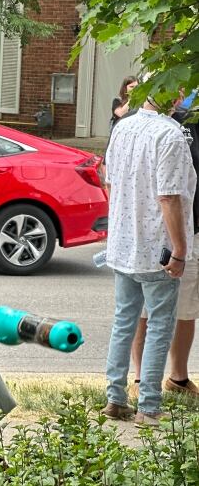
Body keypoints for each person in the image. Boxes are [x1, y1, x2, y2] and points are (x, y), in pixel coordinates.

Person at [102, 93, 195, 427]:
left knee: (124, 320)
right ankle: (149, 406)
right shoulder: (169, 134)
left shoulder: (123, 128)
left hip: (124, 244)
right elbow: (169, 196)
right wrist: (180, 250)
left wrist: (123, 221)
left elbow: (109, 180)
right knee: (159, 325)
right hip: (156, 246)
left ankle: (115, 398)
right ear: (168, 94)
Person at [128, 96, 199, 400]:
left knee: (187, 309)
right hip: (152, 233)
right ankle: (141, 379)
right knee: (145, 309)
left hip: (192, 228)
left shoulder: (193, 119)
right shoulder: (142, 124)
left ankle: (178, 378)